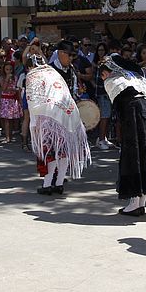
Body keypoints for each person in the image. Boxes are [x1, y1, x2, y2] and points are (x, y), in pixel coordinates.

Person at [100, 54, 146, 215]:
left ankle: (135, 203)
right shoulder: (135, 78)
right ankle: (141, 202)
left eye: (103, 73)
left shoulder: (114, 81)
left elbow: (119, 108)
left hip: (134, 114)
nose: (103, 78)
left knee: (134, 155)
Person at [24, 50, 91, 195]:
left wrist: (34, 124)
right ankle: (59, 183)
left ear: (31, 66)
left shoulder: (33, 75)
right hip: (68, 113)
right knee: (62, 150)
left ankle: (47, 184)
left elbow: (32, 101)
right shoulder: (53, 73)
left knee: (48, 151)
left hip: (46, 117)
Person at [0, 62, 22, 143]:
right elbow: (4, 88)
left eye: (10, 69)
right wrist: (7, 79)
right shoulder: (2, 78)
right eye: (7, 69)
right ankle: (7, 136)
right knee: (6, 119)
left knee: (12, 119)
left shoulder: (15, 77)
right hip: (6, 100)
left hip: (13, 99)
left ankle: (11, 135)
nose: (9, 71)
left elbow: (17, 88)